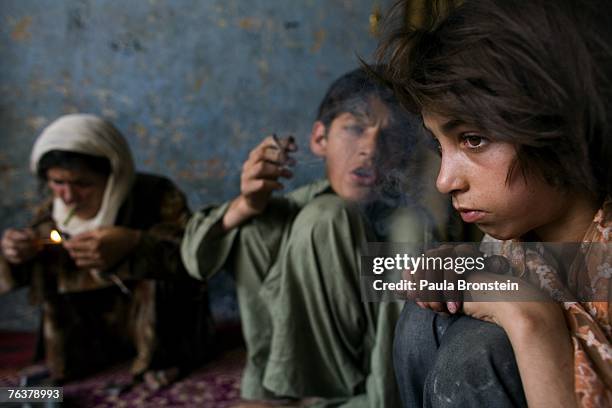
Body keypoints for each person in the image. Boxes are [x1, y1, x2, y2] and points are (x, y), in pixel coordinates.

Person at [376, 0, 612, 406]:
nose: (445, 180)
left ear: (558, 126)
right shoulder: (519, 243)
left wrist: (531, 320)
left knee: (478, 352)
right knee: (426, 314)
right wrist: (489, 270)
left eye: (473, 139)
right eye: (440, 145)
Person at [181, 67, 430, 407]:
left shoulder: (409, 223)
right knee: (260, 224)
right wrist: (245, 205)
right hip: (286, 389)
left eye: (389, 137)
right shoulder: (299, 205)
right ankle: (275, 393)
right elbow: (196, 262)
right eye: (355, 128)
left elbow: (396, 361)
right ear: (319, 139)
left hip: (367, 394)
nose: (370, 149)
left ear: (402, 153)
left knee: (330, 218)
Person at [0, 114, 213, 388]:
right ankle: (64, 369)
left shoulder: (158, 195)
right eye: (57, 182)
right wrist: (15, 254)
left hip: (155, 329)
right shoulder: (52, 213)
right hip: (92, 335)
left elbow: (195, 259)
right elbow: (20, 270)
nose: (68, 196)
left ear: (114, 174)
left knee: (155, 266)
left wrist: (133, 243)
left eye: (83, 184)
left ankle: (161, 359)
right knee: (48, 255)